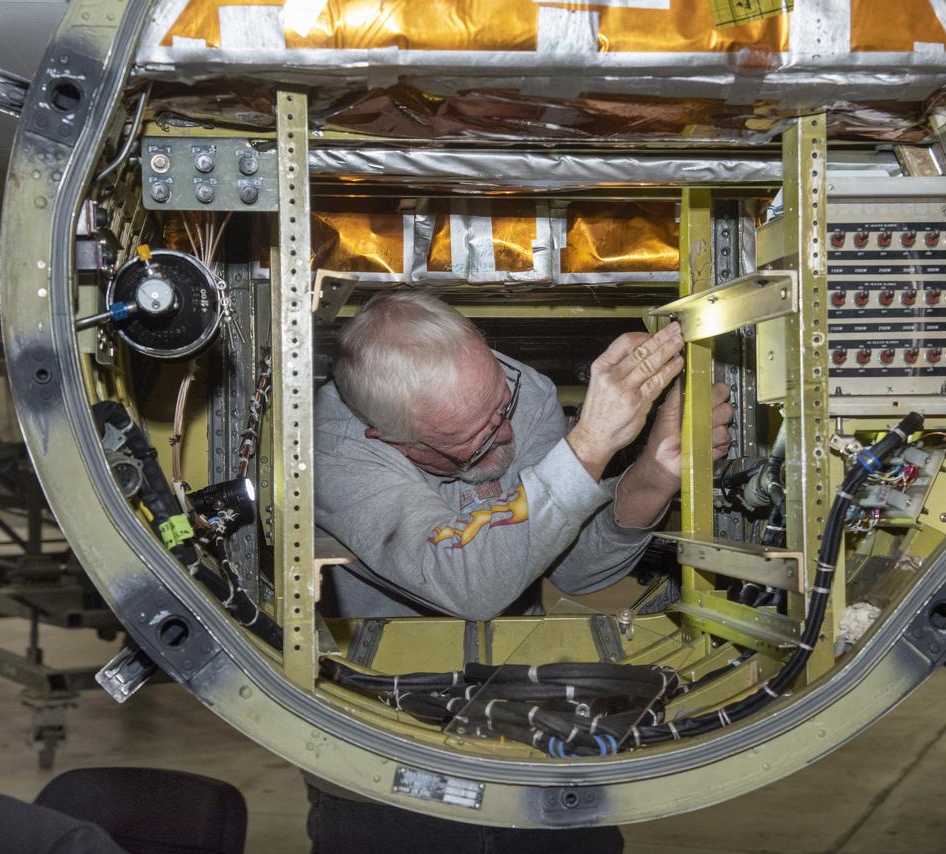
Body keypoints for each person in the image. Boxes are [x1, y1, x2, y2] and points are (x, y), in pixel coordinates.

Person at [309, 290, 733, 852]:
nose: (505, 437)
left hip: (527, 720)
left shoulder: (520, 392)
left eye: (499, 411)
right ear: (388, 439)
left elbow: (576, 570)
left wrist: (652, 477)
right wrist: (588, 444)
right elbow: (469, 582)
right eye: (472, 443)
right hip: (387, 745)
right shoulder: (330, 445)